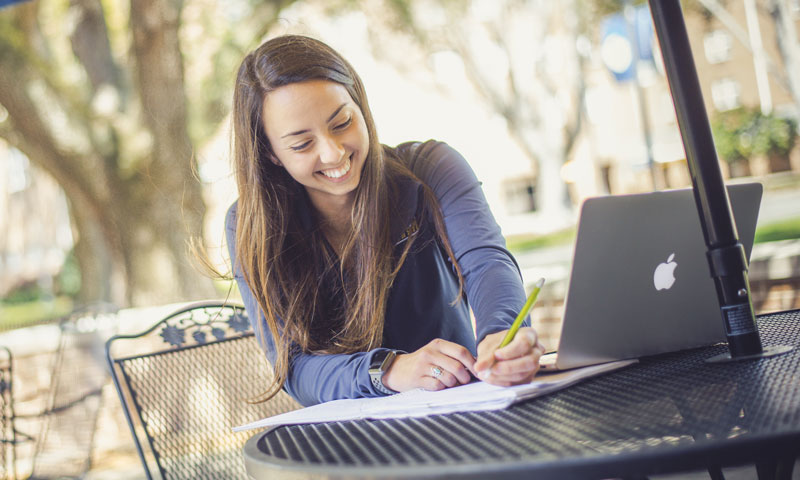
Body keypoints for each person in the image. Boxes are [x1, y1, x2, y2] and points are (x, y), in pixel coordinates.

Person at [226, 34, 544, 407]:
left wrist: (502, 335)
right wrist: (391, 370)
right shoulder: (253, 224)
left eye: (342, 122)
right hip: (353, 446)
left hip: (465, 409)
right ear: (271, 154)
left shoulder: (431, 169)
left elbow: (486, 263)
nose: (333, 152)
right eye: (301, 144)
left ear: (361, 106)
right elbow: (294, 368)